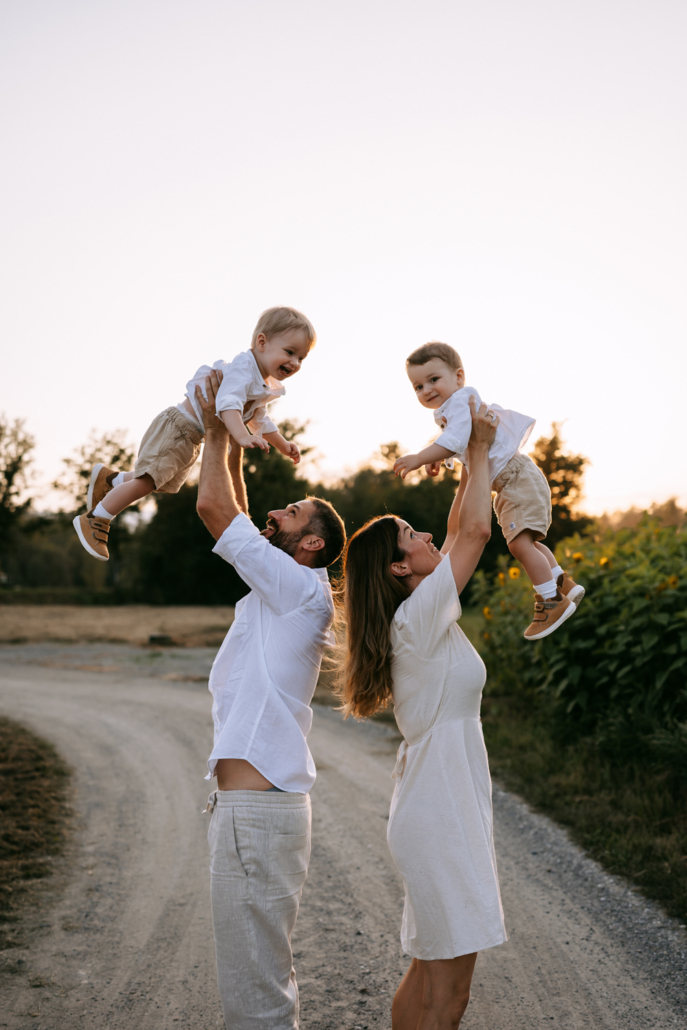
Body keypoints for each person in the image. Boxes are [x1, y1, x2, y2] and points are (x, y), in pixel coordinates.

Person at [340, 397, 506, 1030]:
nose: (428, 535)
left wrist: (465, 463)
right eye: (413, 535)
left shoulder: (417, 617)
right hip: (440, 817)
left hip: (442, 810)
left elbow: (461, 526)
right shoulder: (416, 619)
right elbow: (477, 533)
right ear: (398, 567)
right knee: (449, 994)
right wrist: (480, 448)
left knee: (427, 972)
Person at [194, 371, 346, 1030]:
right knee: (260, 984)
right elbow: (236, 510)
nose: (276, 512)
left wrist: (213, 424)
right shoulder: (289, 588)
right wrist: (235, 430)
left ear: (311, 544)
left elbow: (214, 507)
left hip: (256, 814)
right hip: (255, 810)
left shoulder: (298, 589)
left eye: (292, 512)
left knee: (255, 997)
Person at [72, 305, 315, 562]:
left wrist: (282, 444)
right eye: (290, 352)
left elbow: (259, 418)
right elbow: (228, 404)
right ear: (262, 342)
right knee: (149, 481)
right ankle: (96, 518)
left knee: (161, 482)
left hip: (192, 436)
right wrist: (242, 436)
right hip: (180, 427)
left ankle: (111, 480)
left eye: (301, 358)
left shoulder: (263, 382)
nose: (294, 362)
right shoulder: (244, 368)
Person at [393, 341, 584, 640]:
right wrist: (439, 457)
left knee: (519, 545)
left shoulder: (460, 401)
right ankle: (561, 583)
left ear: (458, 377)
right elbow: (458, 443)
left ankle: (550, 600)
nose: (426, 390)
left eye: (433, 379)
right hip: (514, 479)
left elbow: (455, 441)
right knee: (527, 541)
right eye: (418, 386)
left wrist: (421, 457)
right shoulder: (454, 407)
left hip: (513, 478)